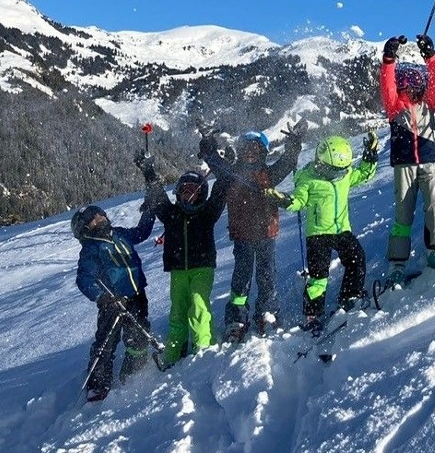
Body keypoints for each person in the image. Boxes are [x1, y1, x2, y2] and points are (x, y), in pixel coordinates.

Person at [200, 124, 305, 341]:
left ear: (263, 152)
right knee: (241, 278)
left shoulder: (268, 173)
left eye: (255, 149)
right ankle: (237, 318)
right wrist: (208, 142)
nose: (250, 152)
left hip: (266, 234)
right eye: (245, 148)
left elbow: (288, 162)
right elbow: (213, 159)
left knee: (266, 276)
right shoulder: (231, 174)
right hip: (243, 236)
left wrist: (294, 143)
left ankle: (266, 312)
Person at [267, 133, 378, 331]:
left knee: (356, 258)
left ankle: (349, 296)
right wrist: (283, 199)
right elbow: (298, 201)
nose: (337, 175)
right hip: (318, 234)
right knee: (318, 277)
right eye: (333, 171)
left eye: (340, 171)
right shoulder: (308, 179)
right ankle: (312, 316)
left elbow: (363, 174)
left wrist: (370, 154)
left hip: (342, 230)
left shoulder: (344, 175)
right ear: (320, 163)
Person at [138, 154, 228, 365]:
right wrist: (148, 172)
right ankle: (173, 352)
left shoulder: (207, 212)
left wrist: (219, 162)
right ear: (178, 192)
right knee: (177, 311)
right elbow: (158, 195)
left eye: (193, 191)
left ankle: (203, 348)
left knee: (198, 306)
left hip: (202, 268)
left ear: (201, 195)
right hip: (178, 269)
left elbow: (221, 188)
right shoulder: (171, 213)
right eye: (184, 189)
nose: (188, 194)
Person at [379, 33, 435, 286]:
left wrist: (430, 55)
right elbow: (386, 84)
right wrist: (389, 59)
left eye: (415, 82)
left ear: (421, 85)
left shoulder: (429, 104)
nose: (410, 86)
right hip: (404, 165)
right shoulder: (394, 107)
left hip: (429, 162)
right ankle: (397, 263)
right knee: (403, 215)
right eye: (404, 83)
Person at [73, 201, 157, 402]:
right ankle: (98, 383)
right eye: (93, 219)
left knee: (138, 332)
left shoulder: (118, 234)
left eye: (100, 214)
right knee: (106, 341)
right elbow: (84, 278)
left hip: (136, 294)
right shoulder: (91, 248)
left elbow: (142, 232)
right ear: (84, 228)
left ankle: (134, 368)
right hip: (112, 302)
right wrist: (101, 296)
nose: (99, 218)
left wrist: (150, 211)